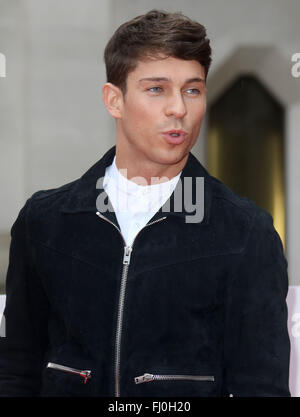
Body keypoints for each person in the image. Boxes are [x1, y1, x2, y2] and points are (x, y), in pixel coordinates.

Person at [0, 9, 290, 397]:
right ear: (114, 100)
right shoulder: (45, 222)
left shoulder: (245, 233)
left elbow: (262, 388)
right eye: (157, 89)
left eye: (193, 89)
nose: (179, 110)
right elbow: (17, 371)